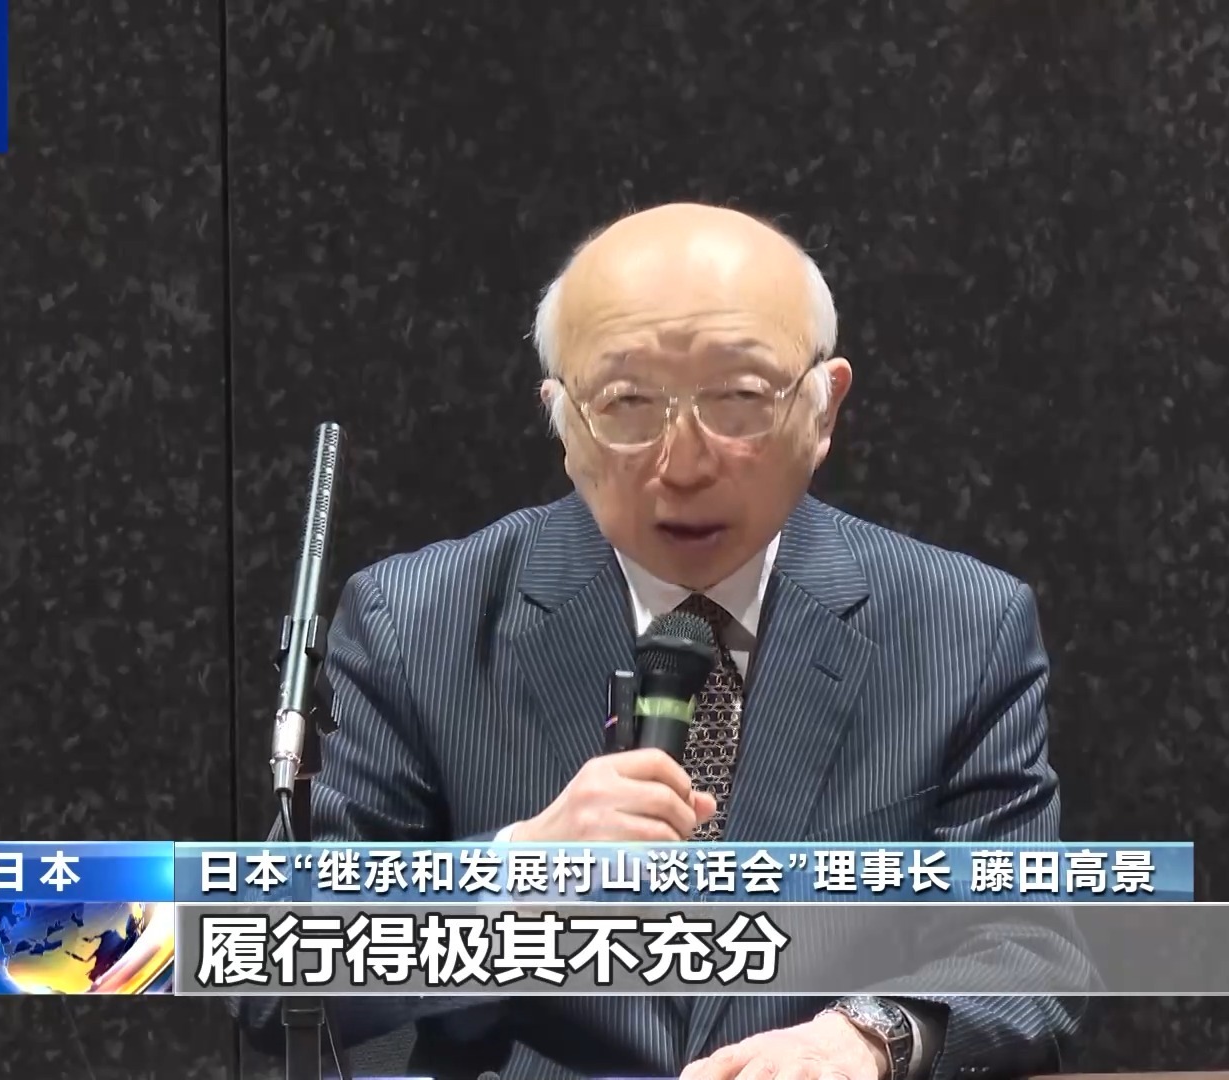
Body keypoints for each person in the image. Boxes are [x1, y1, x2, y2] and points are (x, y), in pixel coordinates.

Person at [241, 202, 1087, 1079]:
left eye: (741, 399)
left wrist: (866, 1038)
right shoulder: (420, 621)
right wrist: (508, 879)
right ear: (563, 422)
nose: (684, 464)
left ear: (825, 407)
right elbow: (266, 970)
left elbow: (1026, 947)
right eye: (627, 404)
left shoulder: (958, 624)